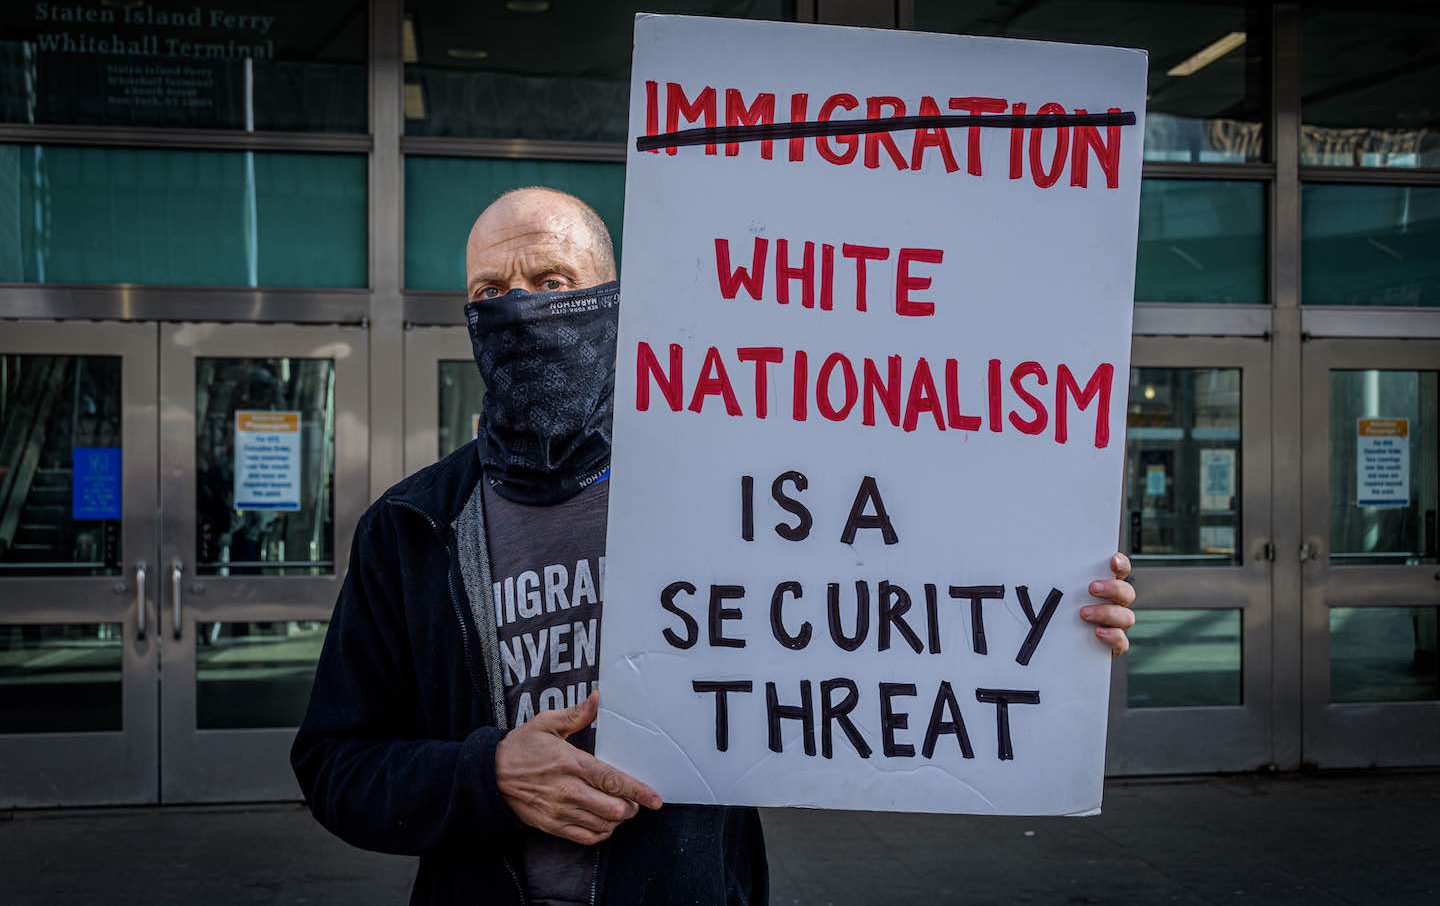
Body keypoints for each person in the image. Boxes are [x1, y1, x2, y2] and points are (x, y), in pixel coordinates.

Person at [291, 187, 1138, 906]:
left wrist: (1053, 610)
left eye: (553, 281)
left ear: (612, 299)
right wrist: (488, 776)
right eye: (493, 288)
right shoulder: (412, 528)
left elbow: (893, 614)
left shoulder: (730, 498)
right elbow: (335, 765)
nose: (521, 307)